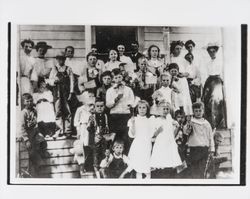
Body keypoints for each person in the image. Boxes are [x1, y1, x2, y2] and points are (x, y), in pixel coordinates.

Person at [150, 100, 182, 178]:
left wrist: (177, 128)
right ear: (159, 110)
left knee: (170, 161)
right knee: (160, 161)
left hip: (169, 143)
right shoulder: (156, 120)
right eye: (163, 109)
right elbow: (152, 136)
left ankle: (169, 174)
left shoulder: (170, 120)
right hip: (160, 143)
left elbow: (173, 135)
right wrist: (158, 131)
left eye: (167, 109)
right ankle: (160, 173)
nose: (165, 111)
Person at [106, 68, 134, 151]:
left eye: (119, 77)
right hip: (114, 116)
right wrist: (116, 98)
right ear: (113, 79)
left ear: (122, 77)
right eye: (115, 78)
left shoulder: (128, 89)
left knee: (125, 137)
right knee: (114, 137)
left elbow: (132, 101)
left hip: (125, 115)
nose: (118, 80)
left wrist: (128, 105)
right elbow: (108, 105)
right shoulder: (110, 91)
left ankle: (125, 157)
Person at [20, 93, 48, 177]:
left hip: (35, 133)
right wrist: (26, 140)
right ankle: (36, 168)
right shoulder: (23, 113)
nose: (29, 103)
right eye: (27, 101)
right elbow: (22, 127)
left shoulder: (34, 110)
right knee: (31, 151)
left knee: (43, 143)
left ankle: (40, 162)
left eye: (31, 101)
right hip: (28, 135)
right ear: (24, 102)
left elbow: (37, 122)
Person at [184, 102, 215, 178]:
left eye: (200, 110)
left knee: (202, 169)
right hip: (194, 150)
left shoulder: (207, 124)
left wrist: (212, 149)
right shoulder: (191, 122)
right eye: (196, 111)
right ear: (193, 112)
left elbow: (210, 137)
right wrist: (188, 125)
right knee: (194, 169)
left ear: (203, 111)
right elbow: (186, 132)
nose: (198, 113)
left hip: (204, 149)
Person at [48, 52, 74, 137]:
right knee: (58, 111)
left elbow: (72, 81)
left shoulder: (68, 69)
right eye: (59, 59)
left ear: (65, 59)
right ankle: (59, 130)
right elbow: (50, 80)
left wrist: (71, 92)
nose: (60, 60)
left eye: (62, 59)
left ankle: (68, 130)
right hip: (57, 92)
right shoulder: (54, 69)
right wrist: (54, 82)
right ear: (57, 59)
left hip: (66, 92)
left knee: (67, 111)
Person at [202, 43, 227, 129]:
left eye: (213, 51)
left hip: (217, 81)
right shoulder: (208, 62)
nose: (212, 53)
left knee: (215, 101)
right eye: (210, 51)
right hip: (209, 81)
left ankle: (217, 124)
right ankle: (209, 124)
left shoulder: (220, 61)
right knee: (207, 100)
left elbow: (223, 73)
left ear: (216, 51)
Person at [127, 100, 153, 178]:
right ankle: (139, 182)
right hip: (137, 144)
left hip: (146, 144)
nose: (142, 109)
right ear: (137, 109)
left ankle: (148, 182)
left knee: (146, 165)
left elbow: (151, 134)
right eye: (140, 107)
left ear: (147, 109)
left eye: (144, 108)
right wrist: (133, 123)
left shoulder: (150, 120)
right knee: (138, 166)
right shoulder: (134, 119)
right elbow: (132, 134)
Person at [74, 96, 96, 173]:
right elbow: (76, 121)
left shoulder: (94, 108)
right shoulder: (80, 109)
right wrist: (78, 131)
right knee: (83, 147)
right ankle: (83, 166)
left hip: (92, 128)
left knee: (91, 146)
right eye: (88, 96)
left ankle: (91, 166)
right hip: (83, 128)